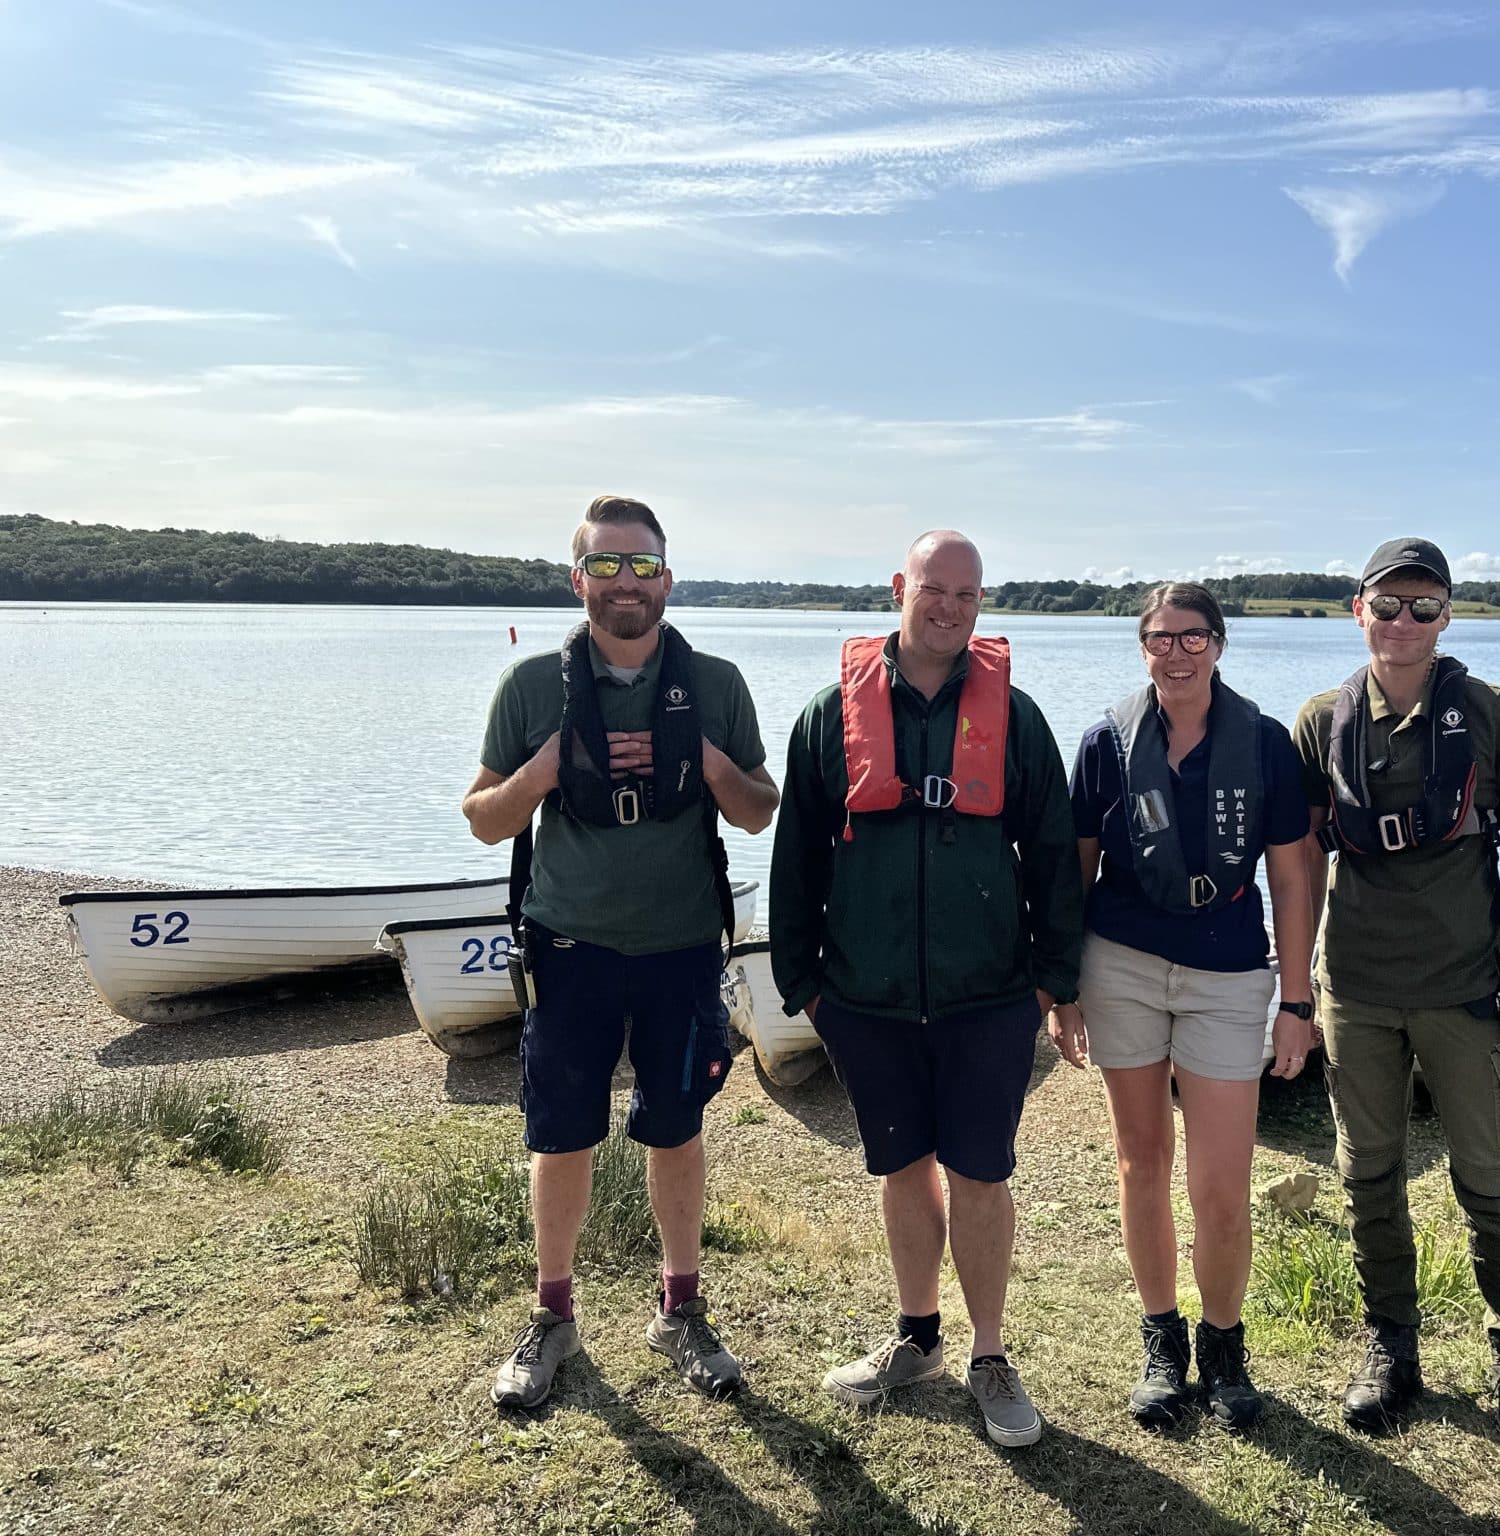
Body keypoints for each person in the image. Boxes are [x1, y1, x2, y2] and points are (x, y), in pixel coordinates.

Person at [462, 495, 780, 1410]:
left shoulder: (714, 683)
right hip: (570, 945)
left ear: (667, 580)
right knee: (562, 1133)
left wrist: (706, 759)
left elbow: (760, 809)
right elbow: (484, 823)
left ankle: (680, 1309)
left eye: (641, 567)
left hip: (680, 945)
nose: (625, 583)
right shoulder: (531, 688)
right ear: (578, 581)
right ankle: (553, 1316)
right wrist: (545, 769)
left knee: (677, 1126)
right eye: (606, 566)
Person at [770, 530, 1085, 1449]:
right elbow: (796, 859)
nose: (948, 607)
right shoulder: (830, 717)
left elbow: (1055, 856)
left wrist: (1049, 982)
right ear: (899, 589)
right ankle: (917, 1337)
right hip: (863, 1000)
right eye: (933, 589)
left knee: (981, 1174)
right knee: (901, 1168)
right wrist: (805, 985)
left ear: (981, 606)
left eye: (967, 595)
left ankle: (989, 1357)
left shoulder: (1015, 719)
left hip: (990, 998)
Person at [1293, 536, 1500, 1445]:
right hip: (1359, 991)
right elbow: (1293, 869)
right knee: (1367, 1174)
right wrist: (1296, 993)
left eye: (1424, 607)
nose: (1403, 623)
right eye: (1387, 606)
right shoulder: (1321, 721)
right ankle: (1391, 1345)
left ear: (1447, 616)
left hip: (1464, 990)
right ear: (1358, 611)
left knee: (1488, 1176)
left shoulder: (1495, 714)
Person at [1049, 582, 1316, 1429]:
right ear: (1142, 648)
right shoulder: (1104, 742)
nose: (1176, 653)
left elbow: (1293, 874)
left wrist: (1298, 998)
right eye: (1160, 639)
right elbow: (1072, 868)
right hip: (1120, 966)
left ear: (1219, 645)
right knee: (1142, 1161)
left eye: (1192, 638)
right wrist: (1061, 988)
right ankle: (1161, 1340)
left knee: (1222, 1182)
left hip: (1230, 976)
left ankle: (1226, 1345)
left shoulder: (1265, 744)